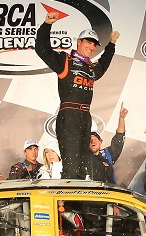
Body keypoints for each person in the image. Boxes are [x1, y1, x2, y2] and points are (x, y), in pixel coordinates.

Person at [35, 11, 119, 180]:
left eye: (95, 44)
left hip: (85, 117)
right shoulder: (65, 60)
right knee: (72, 168)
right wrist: (47, 25)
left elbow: (104, 63)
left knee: (83, 169)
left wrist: (111, 44)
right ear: (79, 42)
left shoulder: (91, 68)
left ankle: (79, 205)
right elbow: (42, 49)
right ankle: (67, 205)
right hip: (69, 116)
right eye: (88, 42)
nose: (91, 46)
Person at [88, 104, 127, 183]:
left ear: (100, 141)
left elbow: (119, 138)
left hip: (109, 192)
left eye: (95, 139)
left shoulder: (107, 154)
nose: (93, 141)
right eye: (90, 140)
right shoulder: (81, 158)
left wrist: (121, 118)